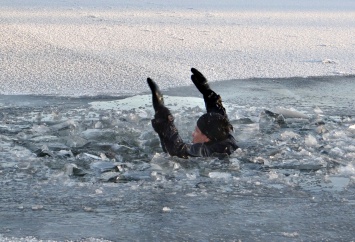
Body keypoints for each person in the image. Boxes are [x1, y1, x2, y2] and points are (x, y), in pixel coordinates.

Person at [147, 68, 238, 159]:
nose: (193, 134)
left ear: (207, 138)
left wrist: (160, 110)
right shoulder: (228, 139)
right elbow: (220, 122)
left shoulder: (205, 151)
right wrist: (208, 92)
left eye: (197, 131)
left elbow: (177, 150)